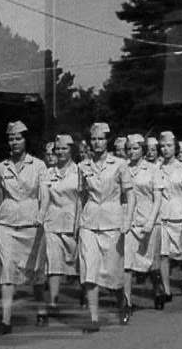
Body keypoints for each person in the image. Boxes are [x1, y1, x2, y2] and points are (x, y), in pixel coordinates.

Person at [78, 122, 133, 332]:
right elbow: (81, 196)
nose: (97, 143)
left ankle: (123, 301)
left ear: (107, 140)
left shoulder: (119, 164)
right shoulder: (83, 165)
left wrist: (127, 220)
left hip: (113, 221)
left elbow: (130, 194)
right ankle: (93, 318)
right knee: (89, 269)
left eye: (101, 138)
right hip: (89, 222)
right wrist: (77, 224)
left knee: (112, 274)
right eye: (93, 139)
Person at [0, 121, 47, 335]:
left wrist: (42, 215)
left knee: (34, 269)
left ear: (26, 140)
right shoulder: (1, 167)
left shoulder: (39, 165)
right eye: (11, 139)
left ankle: (41, 309)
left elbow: (44, 194)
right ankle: (6, 320)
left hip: (31, 222)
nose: (14, 142)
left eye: (18, 138)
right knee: (7, 268)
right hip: (6, 223)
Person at [37, 134, 80, 326]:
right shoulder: (48, 173)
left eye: (64, 149)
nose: (60, 152)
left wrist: (79, 223)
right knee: (53, 263)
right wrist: (40, 217)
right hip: (52, 223)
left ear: (71, 150)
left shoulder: (80, 171)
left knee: (78, 264)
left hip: (74, 222)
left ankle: (86, 296)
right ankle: (53, 301)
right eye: (58, 149)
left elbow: (81, 199)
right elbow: (45, 198)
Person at [123, 134, 164, 310]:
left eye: (135, 148)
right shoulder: (122, 168)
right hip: (129, 221)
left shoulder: (153, 169)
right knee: (126, 263)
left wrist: (150, 221)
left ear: (143, 150)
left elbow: (158, 198)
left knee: (152, 264)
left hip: (150, 220)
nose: (132, 152)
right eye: (129, 149)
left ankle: (158, 289)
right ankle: (127, 302)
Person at [157, 131, 182, 297]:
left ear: (175, 147)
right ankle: (167, 289)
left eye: (169, 145)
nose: (165, 149)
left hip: (179, 214)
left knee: (181, 254)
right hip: (162, 216)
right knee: (163, 254)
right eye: (162, 146)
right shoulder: (156, 168)